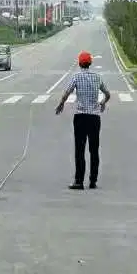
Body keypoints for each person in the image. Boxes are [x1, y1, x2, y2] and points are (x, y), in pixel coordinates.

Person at [55, 50, 110, 189]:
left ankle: (79, 181)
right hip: (94, 118)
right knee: (94, 150)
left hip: (80, 117)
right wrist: (102, 103)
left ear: (79, 63)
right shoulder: (97, 77)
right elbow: (107, 94)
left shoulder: (76, 77)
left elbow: (67, 92)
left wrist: (61, 104)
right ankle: (93, 181)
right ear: (90, 63)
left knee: (79, 150)